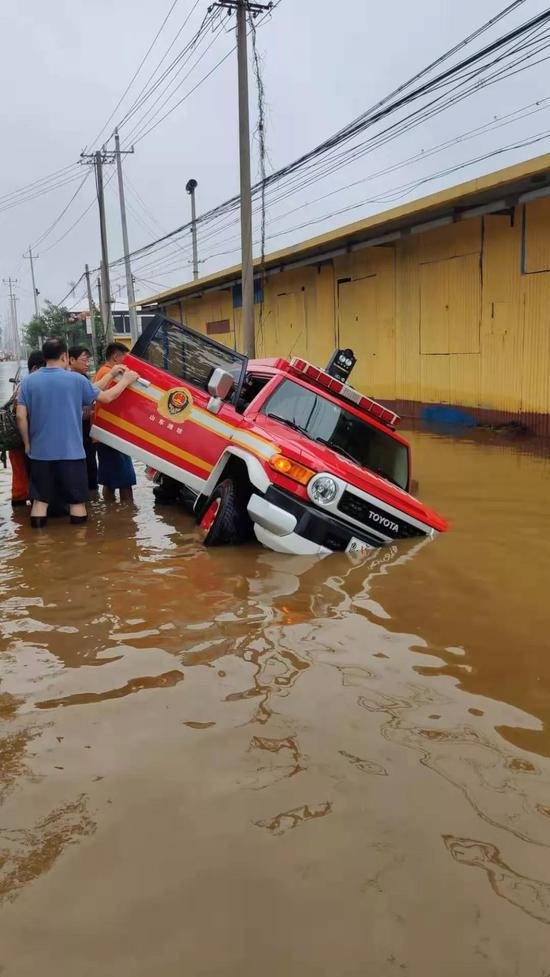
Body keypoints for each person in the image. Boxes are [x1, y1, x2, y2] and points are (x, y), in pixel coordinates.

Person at [16, 337, 138, 529]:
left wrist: (27, 443)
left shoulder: (28, 382)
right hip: (71, 454)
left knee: (40, 502)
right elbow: (105, 397)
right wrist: (126, 381)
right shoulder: (75, 380)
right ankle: (80, 545)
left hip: (39, 454)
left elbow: (20, 417)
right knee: (77, 502)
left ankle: (39, 545)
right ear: (65, 356)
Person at [93, 342, 137, 502]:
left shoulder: (105, 373)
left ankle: (112, 515)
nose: (127, 362)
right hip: (110, 434)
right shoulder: (107, 373)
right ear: (115, 357)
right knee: (125, 481)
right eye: (125, 358)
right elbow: (110, 398)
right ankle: (128, 516)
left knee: (110, 480)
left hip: (107, 434)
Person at [9, 350, 45, 506]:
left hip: (17, 441)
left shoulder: (21, 386)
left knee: (20, 481)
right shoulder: (29, 386)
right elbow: (22, 416)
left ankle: (20, 526)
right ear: (35, 369)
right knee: (32, 482)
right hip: (26, 441)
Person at [68, 345, 98, 491]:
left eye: (88, 361)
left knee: (91, 467)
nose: (87, 364)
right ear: (71, 360)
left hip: (86, 430)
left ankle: (93, 503)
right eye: (84, 360)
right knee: (86, 469)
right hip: (77, 432)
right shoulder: (71, 379)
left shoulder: (83, 377)